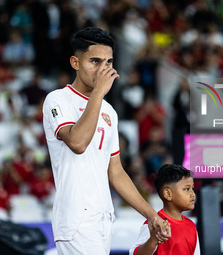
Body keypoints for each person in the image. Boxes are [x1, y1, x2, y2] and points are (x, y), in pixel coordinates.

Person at [42, 27, 170, 255]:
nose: (103, 69)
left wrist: (152, 215)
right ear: (75, 62)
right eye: (95, 61)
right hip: (75, 219)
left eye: (108, 62)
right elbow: (77, 143)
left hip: (103, 218)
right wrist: (99, 93)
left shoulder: (109, 111)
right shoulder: (58, 99)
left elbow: (116, 172)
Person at [130, 164, 200, 255]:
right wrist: (152, 240)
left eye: (192, 188)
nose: (193, 194)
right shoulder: (154, 224)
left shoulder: (191, 226)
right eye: (186, 189)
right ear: (168, 194)